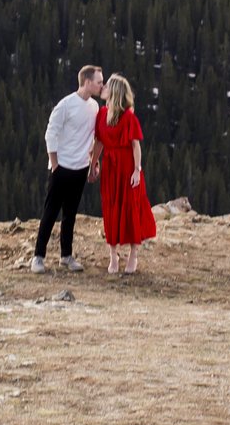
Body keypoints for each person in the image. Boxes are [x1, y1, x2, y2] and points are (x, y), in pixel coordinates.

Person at [33, 63, 104, 273]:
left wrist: (93, 163)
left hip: (80, 168)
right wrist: (54, 164)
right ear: (87, 82)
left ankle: (66, 256)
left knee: (70, 214)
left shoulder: (94, 107)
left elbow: (92, 137)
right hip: (62, 167)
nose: (102, 85)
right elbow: (50, 133)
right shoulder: (65, 105)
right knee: (50, 212)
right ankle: (38, 256)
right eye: (99, 82)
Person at [96, 73, 158, 275]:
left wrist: (137, 171)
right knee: (111, 207)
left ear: (114, 92)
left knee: (131, 207)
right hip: (110, 167)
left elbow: (135, 146)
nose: (102, 88)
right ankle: (113, 255)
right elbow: (99, 142)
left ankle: (133, 253)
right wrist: (93, 164)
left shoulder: (129, 117)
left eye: (106, 86)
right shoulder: (101, 114)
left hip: (127, 167)